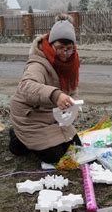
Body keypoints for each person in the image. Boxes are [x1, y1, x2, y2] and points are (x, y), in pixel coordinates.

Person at [9, 14, 81, 163]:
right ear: (51, 44)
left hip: (53, 116)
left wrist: (73, 107)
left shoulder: (71, 63)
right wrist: (55, 95)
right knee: (55, 157)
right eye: (60, 48)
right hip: (31, 117)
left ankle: (31, 141)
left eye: (69, 49)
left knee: (76, 148)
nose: (65, 53)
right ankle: (18, 140)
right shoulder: (37, 63)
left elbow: (72, 90)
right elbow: (26, 87)